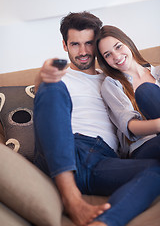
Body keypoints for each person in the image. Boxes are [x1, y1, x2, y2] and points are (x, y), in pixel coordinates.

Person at [33, 12, 160, 226]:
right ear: (65, 45)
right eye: (75, 44)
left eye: (89, 44)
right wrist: (42, 76)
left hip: (101, 160)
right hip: (63, 149)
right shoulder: (59, 75)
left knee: (154, 171)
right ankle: (71, 197)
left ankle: (103, 223)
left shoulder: (112, 79)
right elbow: (43, 99)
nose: (83, 52)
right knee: (51, 86)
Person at [96, 25, 160, 159]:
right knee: (145, 91)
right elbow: (130, 126)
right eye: (108, 54)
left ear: (127, 42)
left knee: (148, 90)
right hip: (144, 145)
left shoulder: (158, 72)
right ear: (105, 61)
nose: (116, 56)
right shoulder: (112, 84)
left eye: (118, 47)